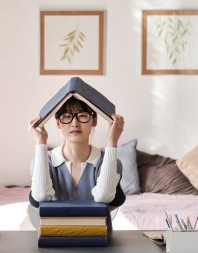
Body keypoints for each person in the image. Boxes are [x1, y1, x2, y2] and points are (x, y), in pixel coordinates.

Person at [28, 97, 126, 234]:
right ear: (58, 123)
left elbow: (104, 197)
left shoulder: (110, 161)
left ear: (94, 120)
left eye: (82, 115)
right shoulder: (42, 160)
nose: (75, 123)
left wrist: (112, 142)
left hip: (98, 242)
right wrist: (40, 143)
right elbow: (41, 196)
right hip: (54, 240)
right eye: (66, 116)